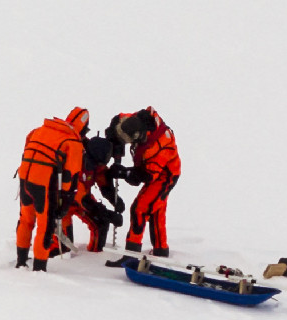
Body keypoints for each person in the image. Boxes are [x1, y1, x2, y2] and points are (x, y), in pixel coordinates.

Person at [15, 107, 87, 271]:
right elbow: (70, 177)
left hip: (24, 178)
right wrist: (64, 204)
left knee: (26, 219)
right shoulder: (72, 142)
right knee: (45, 226)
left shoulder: (39, 130)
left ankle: (21, 260)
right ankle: (39, 268)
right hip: (43, 184)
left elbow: (27, 148)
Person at [120, 107, 181, 258]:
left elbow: (147, 175)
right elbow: (121, 118)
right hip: (159, 171)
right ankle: (161, 250)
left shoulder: (158, 146)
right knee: (155, 209)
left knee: (140, 209)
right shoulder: (140, 119)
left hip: (165, 176)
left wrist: (124, 173)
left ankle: (131, 253)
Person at [62, 119, 129, 254]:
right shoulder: (77, 164)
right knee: (64, 245)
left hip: (83, 198)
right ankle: (57, 260)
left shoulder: (97, 162)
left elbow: (102, 180)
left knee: (100, 224)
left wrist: (114, 199)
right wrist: (109, 214)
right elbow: (81, 199)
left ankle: (95, 255)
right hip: (64, 202)